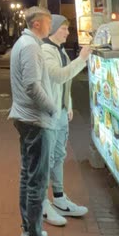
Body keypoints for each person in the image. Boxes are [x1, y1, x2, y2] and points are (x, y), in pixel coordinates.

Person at [9, 6, 68, 236]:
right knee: (37, 184)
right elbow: (32, 86)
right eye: (48, 22)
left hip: (26, 119)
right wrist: (53, 108)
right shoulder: (31, 47)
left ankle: (28, 234)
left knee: (28, 178)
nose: (50, 27)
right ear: (36, 24)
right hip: (36, 121)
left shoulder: (24, 44)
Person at [41, 15, 90, 224]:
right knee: (46, 158)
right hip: (49, 114)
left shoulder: (60, 50)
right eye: (64, 29)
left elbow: (65, 84)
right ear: (52, 29)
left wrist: (68, 104)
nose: (68, 33)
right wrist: (82, 59)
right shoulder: (46, 51)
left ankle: (59, 198)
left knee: (59, 155)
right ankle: (42, 203)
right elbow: (59, 76)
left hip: (60, 112)